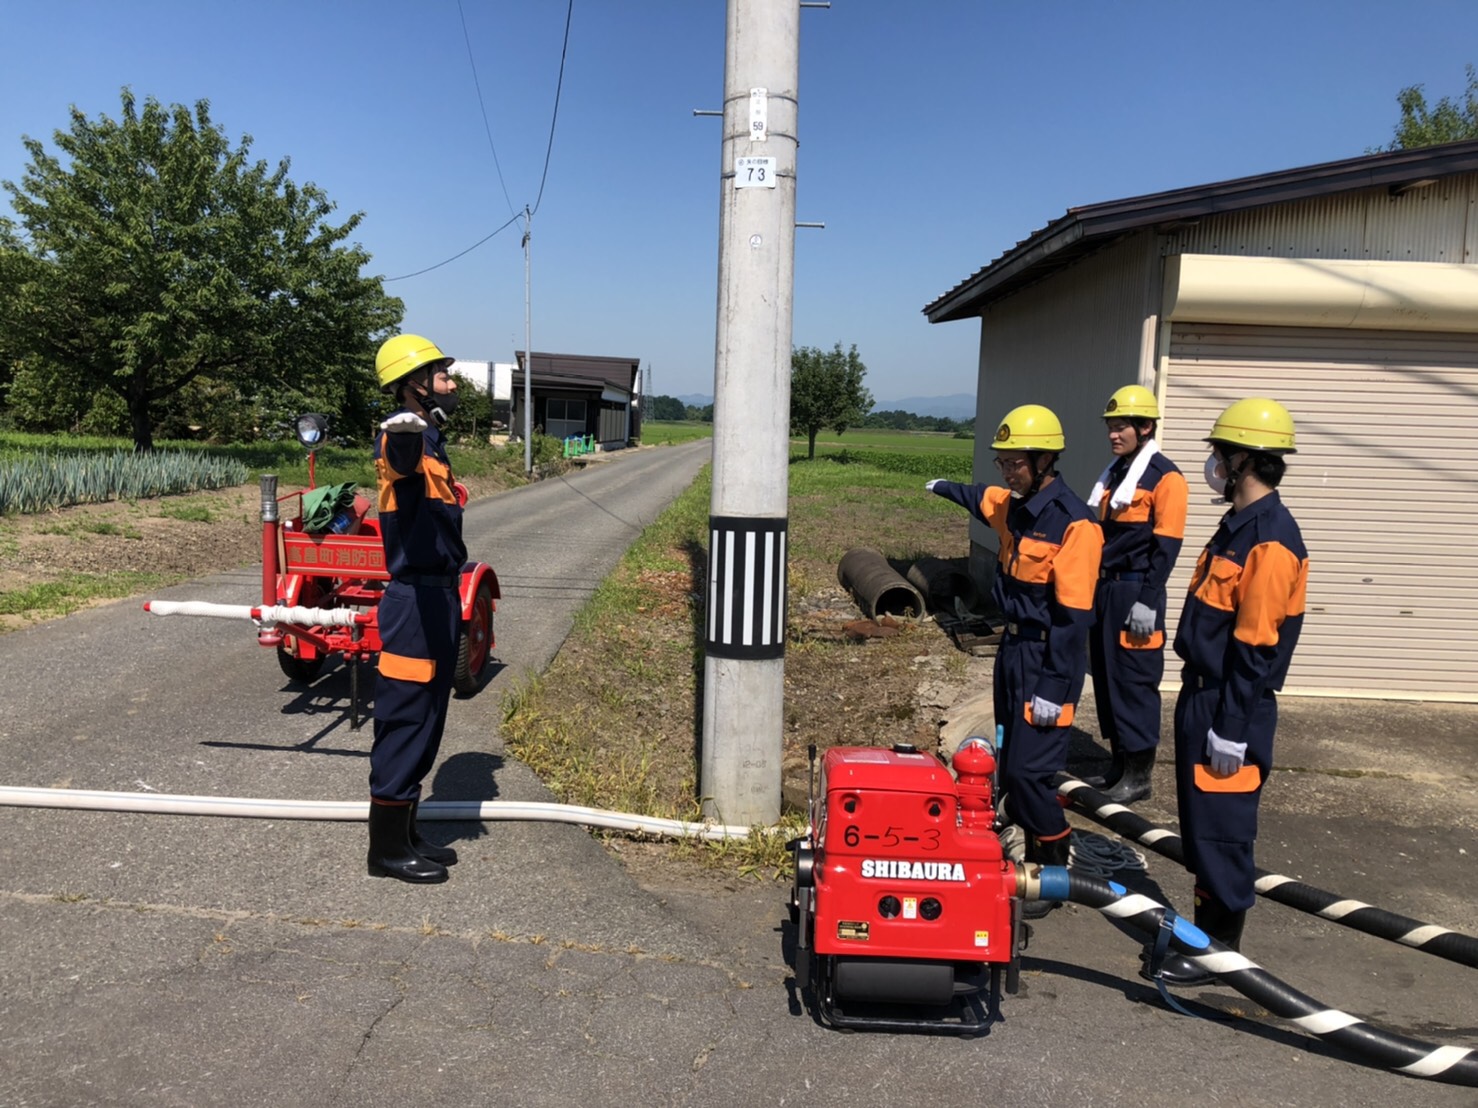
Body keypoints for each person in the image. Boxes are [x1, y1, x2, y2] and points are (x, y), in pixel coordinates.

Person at [1148, 398, 1308, 984]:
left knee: (1222, 832)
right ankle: (1204, 938)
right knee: (1201, 827)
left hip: (1229, 705)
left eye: (1220, 454)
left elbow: (1256, 648)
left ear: (1245, 459)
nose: (1213, 465)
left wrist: (1231, 728)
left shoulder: (1270, 541)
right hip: (1204, 695)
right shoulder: (1237, 528)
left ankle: (1220, 957)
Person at [927, 404, 1102, 917]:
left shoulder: (1075, 524)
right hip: (1013, 652)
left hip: (1049, 658)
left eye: (1015, 462)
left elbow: (1074, 620)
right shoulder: (1012, 505)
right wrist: (942, 487)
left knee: (1030, 773)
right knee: (1009, 763)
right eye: (1002, 462)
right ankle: (1020, 861)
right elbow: (978, 497)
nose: (1007, 471)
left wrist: (1053, 685)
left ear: (1045, 460)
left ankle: (1054, 872)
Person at [366, 333, 466, 884]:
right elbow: (398, 463)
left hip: (441, 596)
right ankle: (384, 850)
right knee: (406, 716)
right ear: (415, 384)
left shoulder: (432, 439)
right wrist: (404, 435)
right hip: (414, 602)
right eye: (442, 375)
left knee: (429, 717)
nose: (451, 383)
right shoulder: (401, 438)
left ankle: (406, 832)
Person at [1084, 385, 1187, 803]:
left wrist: (1148, 598)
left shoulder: (1166, 477)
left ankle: (1139, 775)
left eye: (1121, 427)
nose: (1113, 434)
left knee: (1134, 680)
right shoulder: (1116, 474)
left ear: (1145, 427)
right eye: (1110, 427)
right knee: (1108, 678)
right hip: (1107, 586)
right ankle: (1119, 765)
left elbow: (1167, 545)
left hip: (1136, 590)